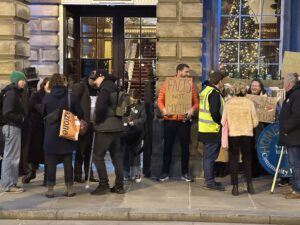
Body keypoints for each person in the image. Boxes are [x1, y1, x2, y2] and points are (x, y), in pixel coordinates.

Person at [42, 73, 83, 198]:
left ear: (51, 83)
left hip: (51, 135)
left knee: (51, 163)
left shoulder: (47, 97)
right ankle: (69, 188)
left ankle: (50, 189)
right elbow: (80, 113)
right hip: (67, 132)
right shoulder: (71, 97)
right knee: (67, 162)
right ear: (63, 83)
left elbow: (43, 113)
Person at [157, 64, 199, 182]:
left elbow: (196, 102)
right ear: (179, 72)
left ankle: (185, 173)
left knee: (185, 147)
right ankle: (165, 172)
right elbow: (160, 100)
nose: (187, 74)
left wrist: (191, 110)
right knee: (167, 147)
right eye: (186, 72)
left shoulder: (190, 85)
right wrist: (164, 110)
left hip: (183, 120)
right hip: (169, 120)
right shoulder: (167, 83)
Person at [90, 69, 125, 195]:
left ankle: (103, 184)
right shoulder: (116, 87)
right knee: (117, 157)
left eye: (95, 80)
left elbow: (100, 108)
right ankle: (119, 186)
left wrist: (96, 121)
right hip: (118, 127)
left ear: (101, 77)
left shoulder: (105, 89)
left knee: (98, 157)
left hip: (105, 128)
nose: (95, 82)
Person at [221, 82, 258, 196]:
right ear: (245, 91)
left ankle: (235, 187)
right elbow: (255, 122)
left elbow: (223, 121)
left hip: (234, 134)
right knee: (247, 158)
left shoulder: (229, 103)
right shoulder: (249, 103)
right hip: (247, 134)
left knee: (233, 159)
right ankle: (250, 185)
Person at [198, 70, 225, 191]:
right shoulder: (214, 93)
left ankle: (210, 180)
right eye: (222, 81)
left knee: (208, 156)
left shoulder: (205, 90)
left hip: (204, 129)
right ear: (219, 81)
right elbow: (214, 112)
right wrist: (220, 122)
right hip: (212, 129)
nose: (223, 83)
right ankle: (209, 182)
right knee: (210, 157)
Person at [1, 71, 27, 193]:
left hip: (12, 127)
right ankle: (9, 184)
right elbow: (7, 112)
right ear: (17, 81)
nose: (25, 83)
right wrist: (21, 118)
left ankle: (10, 183)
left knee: (11, 156)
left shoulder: (13, 92)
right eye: (23, 80)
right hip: (12, 127)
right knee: (11, 157)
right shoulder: (12, 93)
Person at [72, 72, 99, 183]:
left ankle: (89, 174)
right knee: (81, 150)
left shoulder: (98, 89)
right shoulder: (80, 87)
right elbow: (74, 102)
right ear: (88, 78)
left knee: (90, 151)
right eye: (92, 80)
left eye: (95, 80)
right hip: (83, 123)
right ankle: (77, 175)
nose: (94, 82)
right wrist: (78, 118)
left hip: (93, 124)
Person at [22, 77, 50, 185]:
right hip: (37, 128)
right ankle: (32, 172)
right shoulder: (37, 95)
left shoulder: (52, 96)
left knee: (47, 153)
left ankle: (47, 176)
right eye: (48, 84)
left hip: (48, 128)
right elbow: (30, 109)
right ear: (43, 84)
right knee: (34, 152)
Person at [279, 73, 300, 199]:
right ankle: (294, 188)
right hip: (292, 136)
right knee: (294, 163)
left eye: (284, 82)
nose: (283, 84)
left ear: (288, 83)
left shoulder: (296, 95)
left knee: (296, 163)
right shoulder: (292, 94)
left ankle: (298, 189)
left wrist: (286, 128)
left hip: (294, 136)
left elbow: (297, 115)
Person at [121, 89, 146, 183]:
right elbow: (121, 115)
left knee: (135, 153)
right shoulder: (125, 104)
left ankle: (136, 174)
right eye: (131, 99)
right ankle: (125, 173)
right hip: (126, 132)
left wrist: (133, 122)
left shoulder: (142, 105)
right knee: (125, 153)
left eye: (135, 99)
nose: (133, 101)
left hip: (136, 132)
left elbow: (143, 118)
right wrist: (125, 121)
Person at [247, 79, 269, 178]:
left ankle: (258, 170)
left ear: (260, 88)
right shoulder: (246, 97)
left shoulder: (265, 98)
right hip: (247, 126)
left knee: (258, 148)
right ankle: (250, 171)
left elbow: (270, 112)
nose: (254, 87)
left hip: (259, 126)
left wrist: (263, 101)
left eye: (256, 86)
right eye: (253, 85)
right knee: (249, 148)